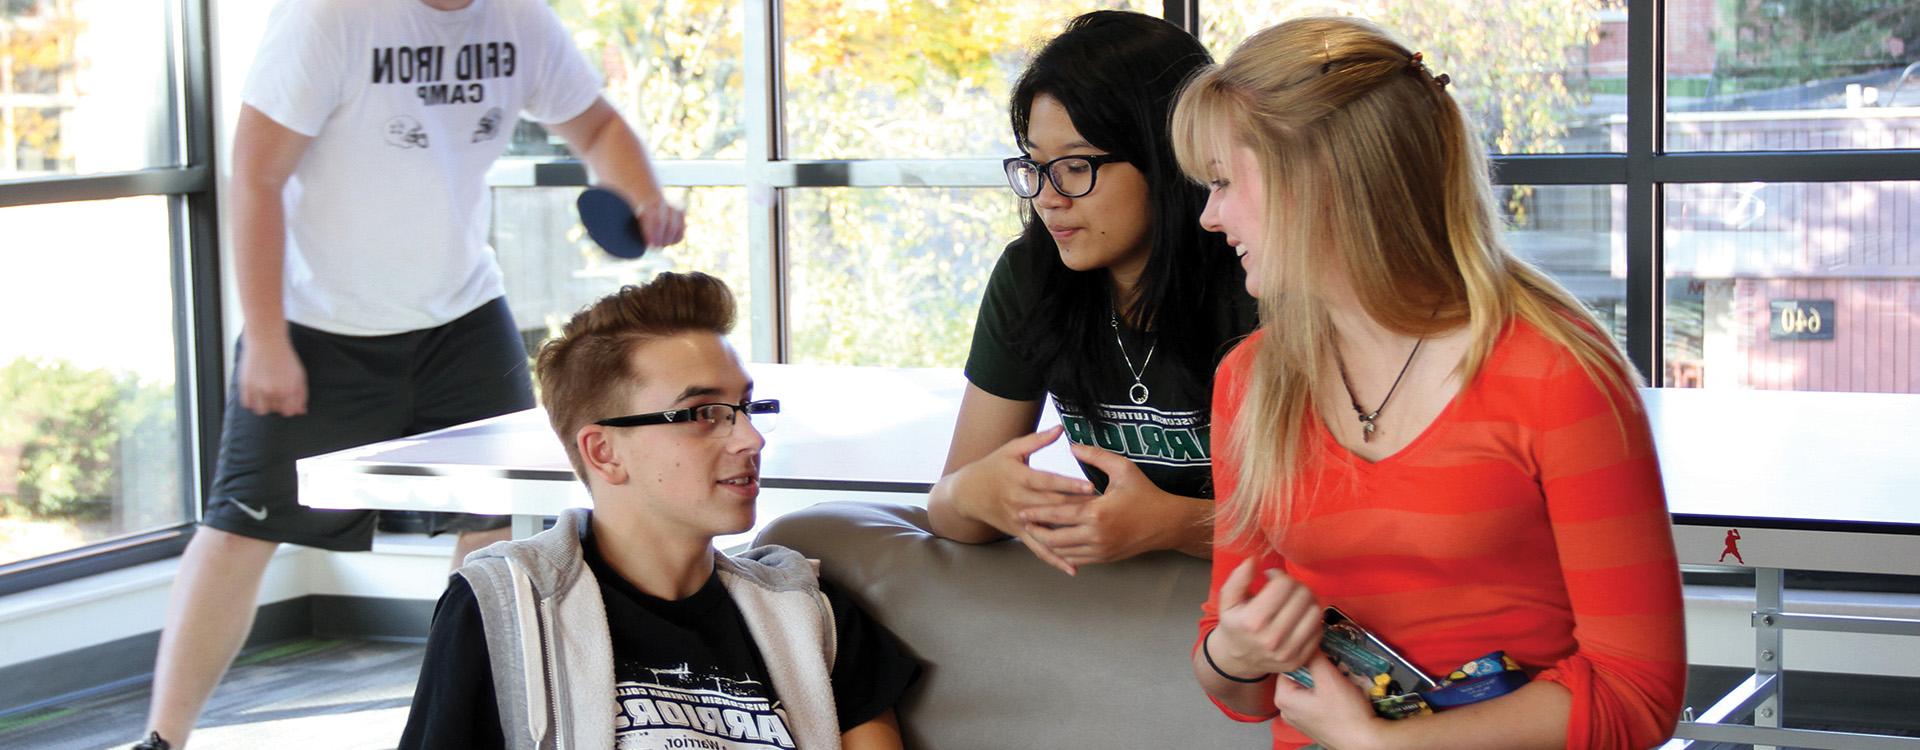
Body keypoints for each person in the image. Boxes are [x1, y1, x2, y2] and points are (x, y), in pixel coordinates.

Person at [135, 0, 687, 747]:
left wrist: (642, 194)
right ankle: (163, 738)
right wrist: (266, 338)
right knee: (241, 528)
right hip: (319, 324)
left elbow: (595, 125)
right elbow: (256, 176)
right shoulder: (327, 19)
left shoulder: (519, 19)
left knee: (498, 524)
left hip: (461, 314)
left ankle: (455, 724)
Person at [1172, 17, 1687, 749]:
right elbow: (1239, 692)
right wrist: (1236, 650)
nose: (1209, 215)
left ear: (1320, 178)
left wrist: (1387, 744)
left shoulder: (1561, 373)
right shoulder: (1249, 382)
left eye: (1223, 181)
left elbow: (1638, 696)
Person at [397, 271, 919, 749]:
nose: (750, 437)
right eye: (702, 414)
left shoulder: (812, 616)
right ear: (604, 452)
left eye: (745, 407)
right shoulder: (505, 608)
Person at [926, 10, 1256, 575]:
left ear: (1171, 159)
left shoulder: (1255, 273)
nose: (1048, 197)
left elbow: (1332, 526)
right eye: (1036, 165)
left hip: (1268, 600)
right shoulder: (1033, 275)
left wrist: (1173, 522)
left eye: (1076, 166)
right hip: (1127, 599)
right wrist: (972, 495)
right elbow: (954, 512)